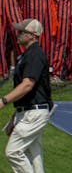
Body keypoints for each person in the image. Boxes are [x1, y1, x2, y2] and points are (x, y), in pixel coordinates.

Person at [3, 19, 52, 173]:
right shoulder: (28, 55)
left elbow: (27, 85)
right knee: (34, 155)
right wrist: (16, 116)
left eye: (21, 32)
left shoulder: (34, 55)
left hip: (33, 113)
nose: (17, 34)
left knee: (13, 151)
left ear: (32, 35)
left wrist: (3, 100)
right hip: (28, 111)